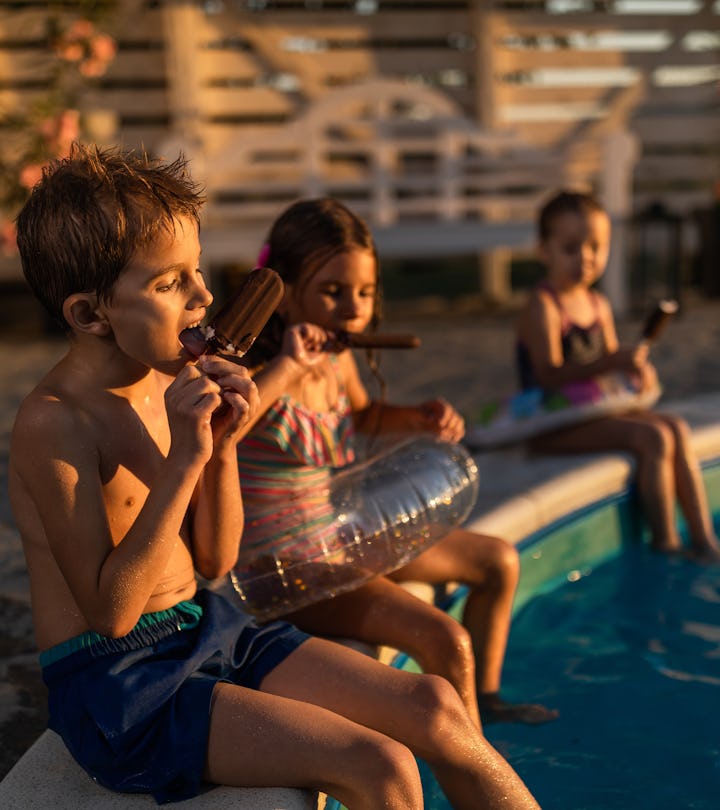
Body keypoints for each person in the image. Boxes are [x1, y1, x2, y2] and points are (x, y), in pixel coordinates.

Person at [9, 144, 542, 810]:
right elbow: (110, 615)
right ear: (91, 315)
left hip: (206, 624)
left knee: (434, 704)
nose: (205, 296)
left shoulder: (165, 380)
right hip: (123, 683)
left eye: (196, 271)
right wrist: (184, 460)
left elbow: (214, 557)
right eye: (170, 283)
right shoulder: (54, 423)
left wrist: (224, 443)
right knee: (379, 765)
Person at [237, 196, 558, 727]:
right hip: (284, 570)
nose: (353, 308)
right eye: (333, 292)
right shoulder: (253, 368)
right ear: (284, 294)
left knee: (499, 560)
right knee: (444, 638)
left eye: (364, 292)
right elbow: (224, 431)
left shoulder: (336, 361)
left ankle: (488, 701)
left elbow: (361, 418)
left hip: (335, 537)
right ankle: (475, 763)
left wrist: (416, 417)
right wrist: (288, 369)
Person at [516, 188, 720, 562]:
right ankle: (666, 543)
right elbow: (548, 376)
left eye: (596, 247)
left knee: (675, 426)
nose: (586, 258)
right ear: (543, 250)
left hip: (593, 413)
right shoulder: (543, 305)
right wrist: (610, 363)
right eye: (571, 247)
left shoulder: (597, 304)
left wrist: (634, 371)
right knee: (654, 437)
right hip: (551, 425)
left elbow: (610, 367)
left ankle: (705, 539)